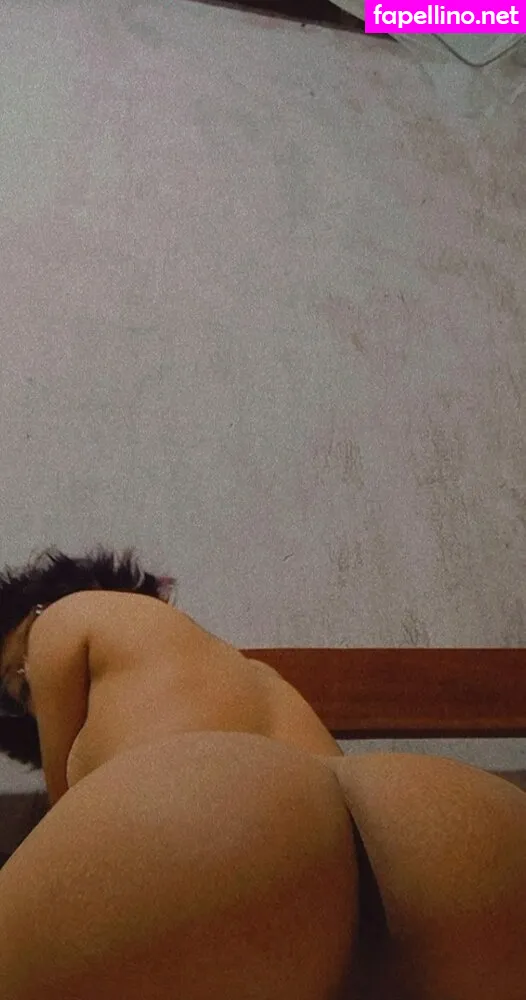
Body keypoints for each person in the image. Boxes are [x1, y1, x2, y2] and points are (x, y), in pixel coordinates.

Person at [0, 545, 525, 1000]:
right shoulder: (251, 673)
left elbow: (69, 815)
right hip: (432, 819)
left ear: (35, 607)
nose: (27, 694)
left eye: (18, 683)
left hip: (207, 826)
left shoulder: (59, 619)